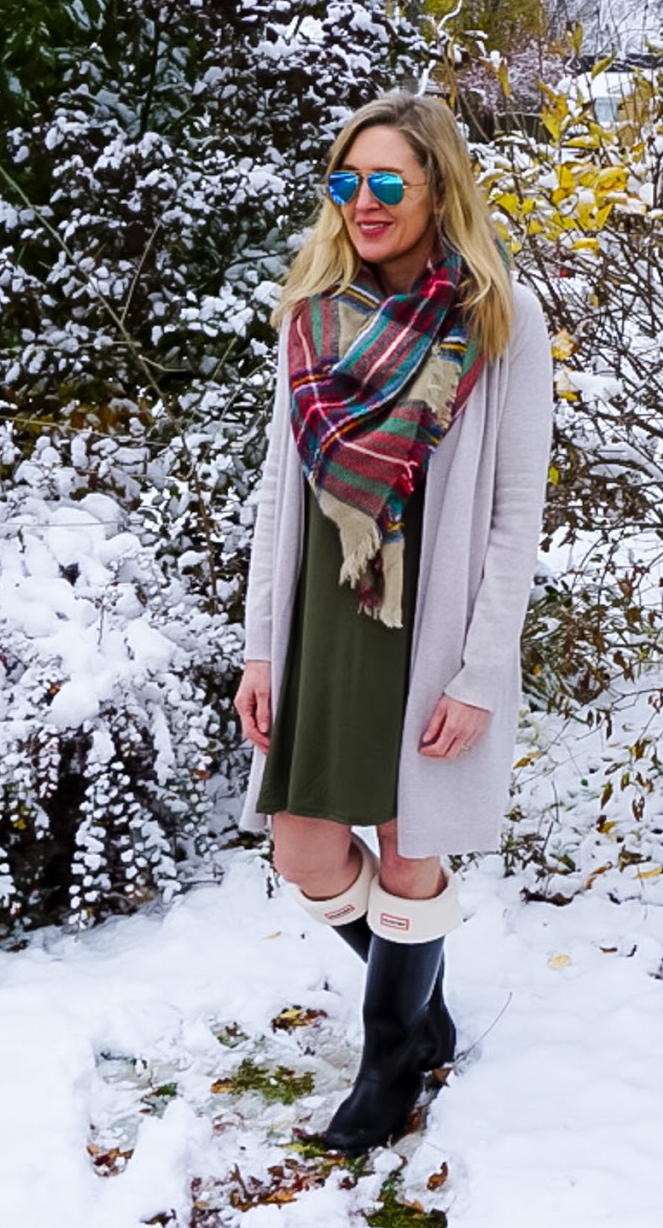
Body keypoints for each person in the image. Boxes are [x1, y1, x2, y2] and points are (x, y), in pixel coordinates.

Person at [234, 91, 553, 1154]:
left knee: (410, 851)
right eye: (344, 182)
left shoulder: (494, 320)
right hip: (329, 615)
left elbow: (514, 515)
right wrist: (259, 647)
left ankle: (387, 1064)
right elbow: (278, 495)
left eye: (386, 183)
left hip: (431, 627)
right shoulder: (312, 315)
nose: (362, 204)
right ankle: (416, 1004)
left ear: (434, 190)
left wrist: (480, 672)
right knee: (306, 847)